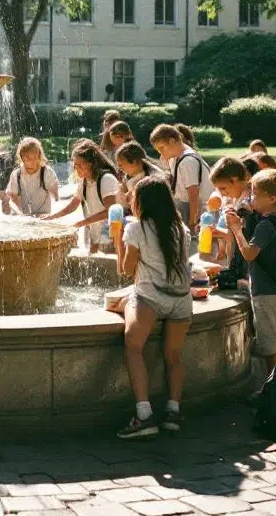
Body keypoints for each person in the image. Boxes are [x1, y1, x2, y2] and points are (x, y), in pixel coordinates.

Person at [114, 176, 191, 438]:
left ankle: (144, 415)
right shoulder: (181, 229)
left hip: (151, 299)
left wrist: (117, 238)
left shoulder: (136, 228)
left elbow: (126, 270)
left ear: (140, 202)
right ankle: (173, 411)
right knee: (174, 356)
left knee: (133, 347)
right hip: (182, 300)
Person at [225, 170, 276, 375]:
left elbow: (249, 254)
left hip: (265, 294)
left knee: (270, 346)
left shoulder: (266, 225)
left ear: (271, 198)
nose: (250, 198)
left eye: (255, 195)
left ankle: (272, 389)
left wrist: (236, 229)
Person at [43, 139, 119, 252]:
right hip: (93, 234)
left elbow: (111, 211)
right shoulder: (83, 181)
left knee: (109, 265)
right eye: (74, 164)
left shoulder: (106, 179)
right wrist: (51, 218)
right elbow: (73, 205)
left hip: (111, 235)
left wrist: (81, 223)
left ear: (91, 164)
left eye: (79, 164)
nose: (75, 168)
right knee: (93, 265)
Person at [150, 124, 213, 233]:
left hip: (198, 209)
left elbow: (194, 194)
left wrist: (192, 222)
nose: (161, 153)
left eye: (161, 148)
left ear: (172, 141)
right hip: (184, 205)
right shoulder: (175, 157)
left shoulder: (187, 161)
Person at [209, 156, 254, 275]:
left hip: (249, 269)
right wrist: (218, 232)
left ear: (234, 179)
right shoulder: (237, 198)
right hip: (241, 264)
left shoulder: (247, 204)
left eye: (223, 188)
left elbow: (247, 238)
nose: (223, 194)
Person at [6, 137, 60, 217]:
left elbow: (55, 194)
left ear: (40, 156)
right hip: (24, 218)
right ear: (22, 158)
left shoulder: (46, 172)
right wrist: (20, 212)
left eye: (35, 157)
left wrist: (55, 197)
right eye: (28, 158)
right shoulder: (17, 175)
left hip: (44, 216)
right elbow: (12, 196)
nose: (33, 162)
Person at [115, 141, 165, 211]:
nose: (120, 169)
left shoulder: (156, 178)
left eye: (121, 165)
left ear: (133, 162)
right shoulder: (128, 178)